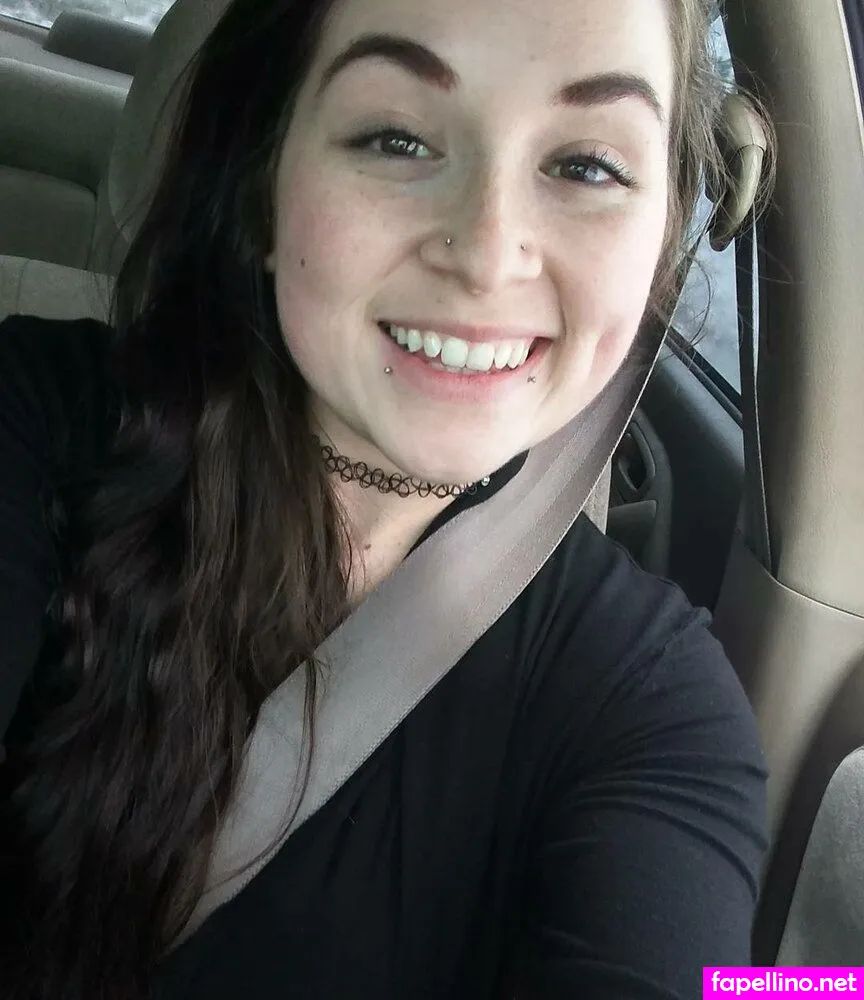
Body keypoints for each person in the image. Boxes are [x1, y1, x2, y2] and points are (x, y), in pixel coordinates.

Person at [0, 0, 775, 996]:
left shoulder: (654, 709)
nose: (487, 254)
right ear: (263, 184)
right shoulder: (33, 421)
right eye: (397, 138)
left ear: (662, 232)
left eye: (587, 165)